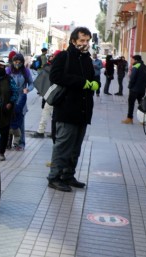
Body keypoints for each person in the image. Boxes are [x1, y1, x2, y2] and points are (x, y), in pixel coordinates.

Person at [47, 27, 97, 192]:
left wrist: (95, 83)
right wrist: (81, 82)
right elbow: (55, 76)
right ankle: (54, 177)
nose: (85, 44)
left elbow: (92, 78)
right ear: (73, 41)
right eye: (82, 40)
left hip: (83, 111)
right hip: (66, 109)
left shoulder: (87, 59)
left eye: (87, 41)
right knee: (63, 146)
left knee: (75, 148)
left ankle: (68, 176)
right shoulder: (64, 56)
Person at [7, 53, 34, 151]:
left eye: (19, 62)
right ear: (12, 62)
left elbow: (31, 84)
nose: (17, 64)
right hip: (10, 99)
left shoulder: (25, 71)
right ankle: (8, 142)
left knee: (20, 121)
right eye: (15, 62)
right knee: (9, 121)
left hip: (21, 99)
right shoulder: (8, 70)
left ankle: (20, 143)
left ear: (22, 63)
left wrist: (27, 89)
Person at [32, 50, 61, 138]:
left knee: (47, 111)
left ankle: (41, 131)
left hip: (52, 94)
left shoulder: (54, 67)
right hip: (54, 94)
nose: (51, 57)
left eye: (53, 56)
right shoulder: (59, 66)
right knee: (53, 113)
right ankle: (54, 132)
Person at [121, 55, 146, 124]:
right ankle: (143, 120)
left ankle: (129, 118)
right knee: (141, 104)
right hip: (142, 89)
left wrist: (130, 86)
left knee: (131, 104)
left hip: (134, 89)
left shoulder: (136, 66)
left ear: (136, 60)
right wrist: (144, 87)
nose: (131, 61)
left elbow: (132, 78)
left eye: (132, 60)